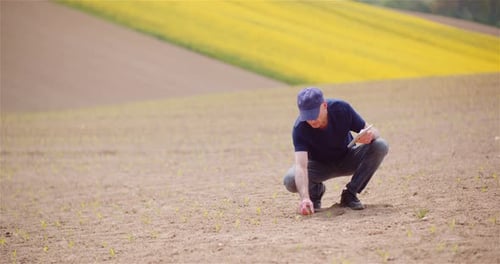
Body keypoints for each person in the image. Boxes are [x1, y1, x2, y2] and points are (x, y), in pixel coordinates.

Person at [283, 87, 389, 215]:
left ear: (324, 106)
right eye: (307, 116)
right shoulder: (300, 128)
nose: (311, 120)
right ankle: (314, 194)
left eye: (314, 114)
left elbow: (375, 132)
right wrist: (304, 198)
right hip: (319, 165)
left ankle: (350, 194)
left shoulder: (342, 109)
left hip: (347, 157)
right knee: (290, 179)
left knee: (380, 145)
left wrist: (370, 135)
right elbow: (301, 166)